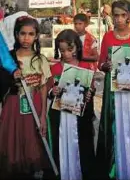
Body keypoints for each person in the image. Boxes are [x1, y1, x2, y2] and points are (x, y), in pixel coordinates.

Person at [96, 0, 130, 180]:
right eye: (116, 15)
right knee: (113, 127)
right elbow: (100, 63)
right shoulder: (108, 37)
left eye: (123, 15)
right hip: (113, 93)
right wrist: (106, 65)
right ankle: (112, 168)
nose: (119, 19)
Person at [0, 17, 51, 179]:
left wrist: (43, 115)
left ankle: (34, 169)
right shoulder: (8, 59)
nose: (26, 38)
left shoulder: (40, 60)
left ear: (36, 36)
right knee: (14, 139)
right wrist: (11, 77)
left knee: (33, 138)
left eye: (31, 34)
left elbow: (43, 87)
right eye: (22, 33)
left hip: (34, 106)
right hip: (13, 105)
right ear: (16, 35)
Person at [49, 29, 96, 180]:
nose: (67, 54)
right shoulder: (54, 69)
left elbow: (91, 88)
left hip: (80, 119)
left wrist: (90, 93)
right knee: (60, 146)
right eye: (62, 51)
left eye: (70, 50)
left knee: (83, 147)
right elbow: (49, 90)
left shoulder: (85, 67)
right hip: (61, 119)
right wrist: (53, 90)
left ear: (77, 47)